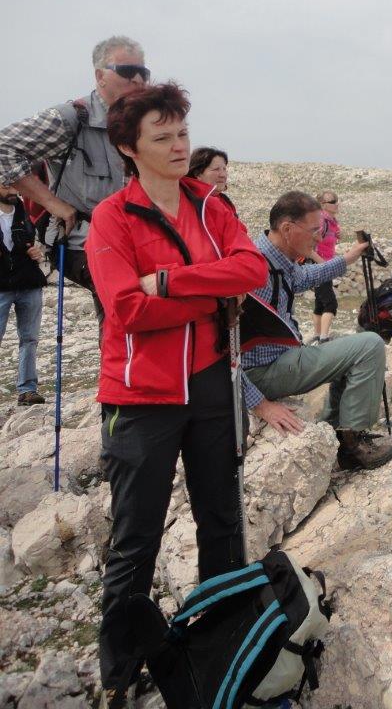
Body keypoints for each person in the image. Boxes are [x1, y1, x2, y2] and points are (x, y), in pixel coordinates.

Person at [85, 83, 268, 708]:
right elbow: (125, 310)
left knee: (222, 517)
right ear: (128, 149)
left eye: (182, 133)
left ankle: (226, 642)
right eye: (161, 137)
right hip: (141, 397)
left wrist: (167, 282)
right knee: (136, 537)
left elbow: (252, 270)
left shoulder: (210, 204)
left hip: (212, 383)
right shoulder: (112, 217)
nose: (178, 146)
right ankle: (120, 670)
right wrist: (212, 298)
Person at [241, 190, 392, 469]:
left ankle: (337, 432)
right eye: (315, 230)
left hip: (279, 361)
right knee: (370, 345)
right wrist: (261, 405)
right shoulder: (252, 271)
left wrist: (347, 258)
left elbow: (302, 278)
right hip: (264, 371)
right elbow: (220, 352)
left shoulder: (272, 256)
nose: (320, 237)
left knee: (352, 352)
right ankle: (353, 446)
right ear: (287, 229)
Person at [0, 36, 149, 327]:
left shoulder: (140, 125)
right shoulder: (71, 118)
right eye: (127, 71)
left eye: (143, 72)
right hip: (83, 241)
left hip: (132, 242)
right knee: (125, 297)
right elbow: (4, 148)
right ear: (100, 76)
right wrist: (53, 204)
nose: (138, 80)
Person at [0, 184, 47, 405]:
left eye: (14, 184)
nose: (13, 189)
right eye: (6, 185)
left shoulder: (27, 212)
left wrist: (38, 252)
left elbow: (42, 238)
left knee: (30, 338)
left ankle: (28, 390)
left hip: (29, 282)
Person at [309, 190, 341, 344]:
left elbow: (327, 242)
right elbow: (309, 246)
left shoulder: (332, 222)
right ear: (322, 205)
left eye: (336, 200)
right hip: (321, 266)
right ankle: (324, 338)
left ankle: (317, 335)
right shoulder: (321, 221)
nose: (336, 204)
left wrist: (337, 236)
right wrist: (324, 265)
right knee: (330, 303)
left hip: (324, 264)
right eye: (332, 201)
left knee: (320, 301)